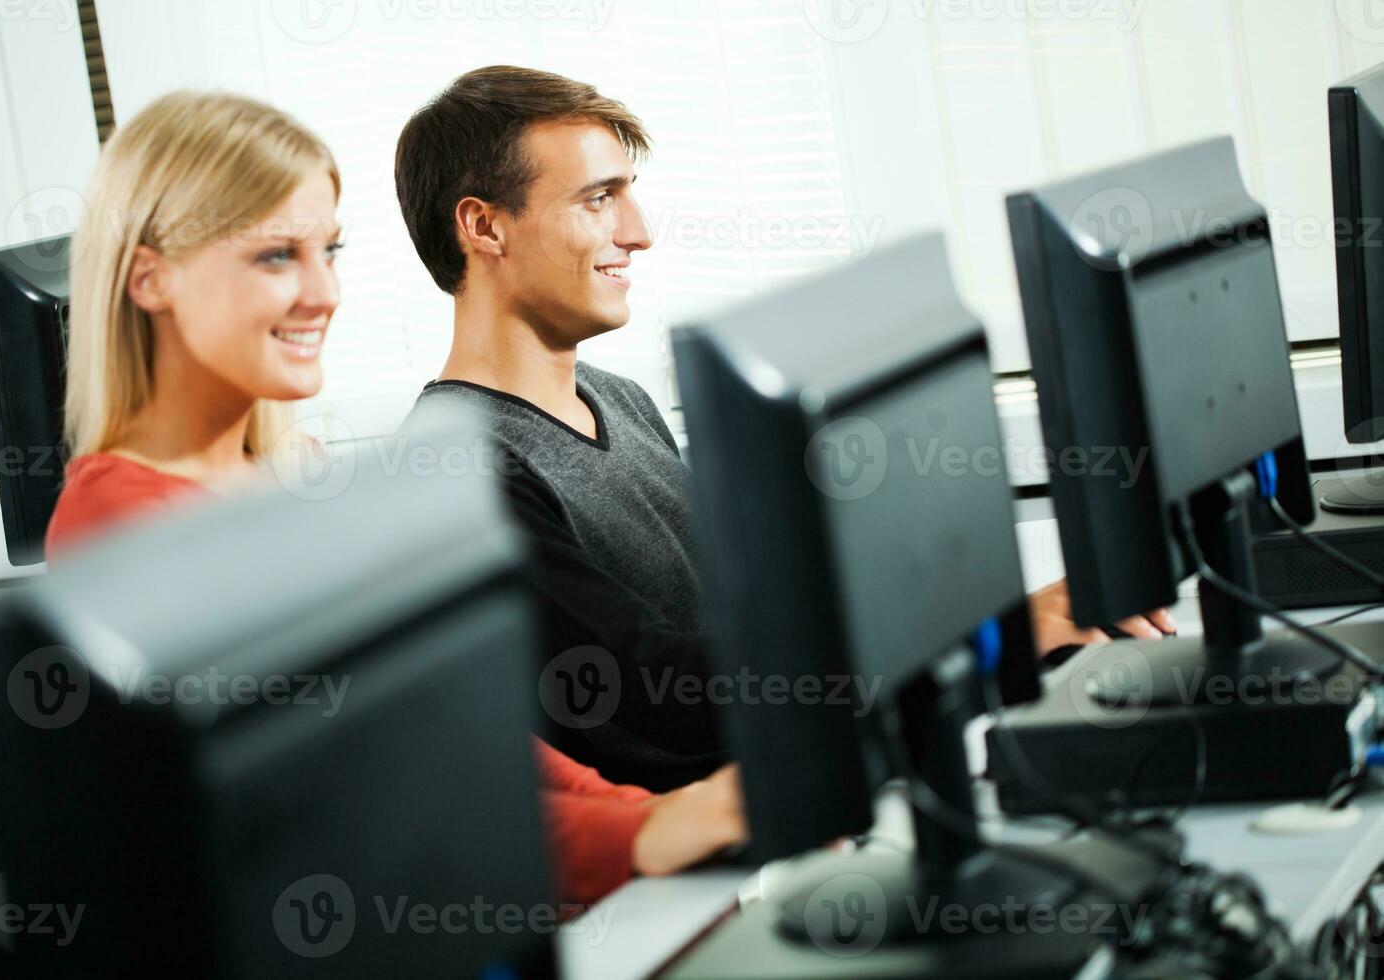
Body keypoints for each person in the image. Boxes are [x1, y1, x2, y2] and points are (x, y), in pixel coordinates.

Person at [46, 89, 745, 906]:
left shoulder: (290, 485)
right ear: (150, 279)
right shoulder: (127, 526)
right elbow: (357, 797)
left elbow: (456, 736)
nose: (324, 293)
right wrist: (640, 835)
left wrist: (662, 815)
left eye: (329, 252)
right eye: (277, 256)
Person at [395, 66, 1177, 792]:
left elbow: (750, 627)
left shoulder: (619, 399)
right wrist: (983, 639)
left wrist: (999, 634)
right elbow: (653, 692)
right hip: (698, 865)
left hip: (808, 785)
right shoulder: (460, 470)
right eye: (598, 199)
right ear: (483, 227)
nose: (639, 233)